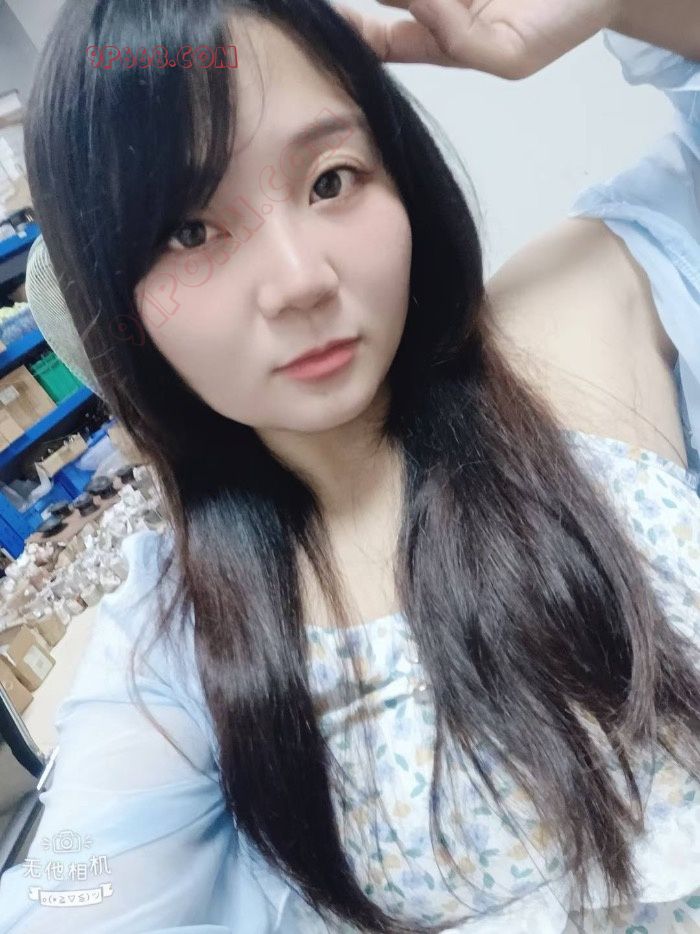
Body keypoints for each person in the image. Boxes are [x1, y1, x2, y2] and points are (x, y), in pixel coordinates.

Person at [0, 0, 698, 930]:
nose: (300, 279)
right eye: (189, 232)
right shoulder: (176, 639)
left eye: (331, 180)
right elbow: (68, 898)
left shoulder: (583, 301)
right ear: (113, 303)